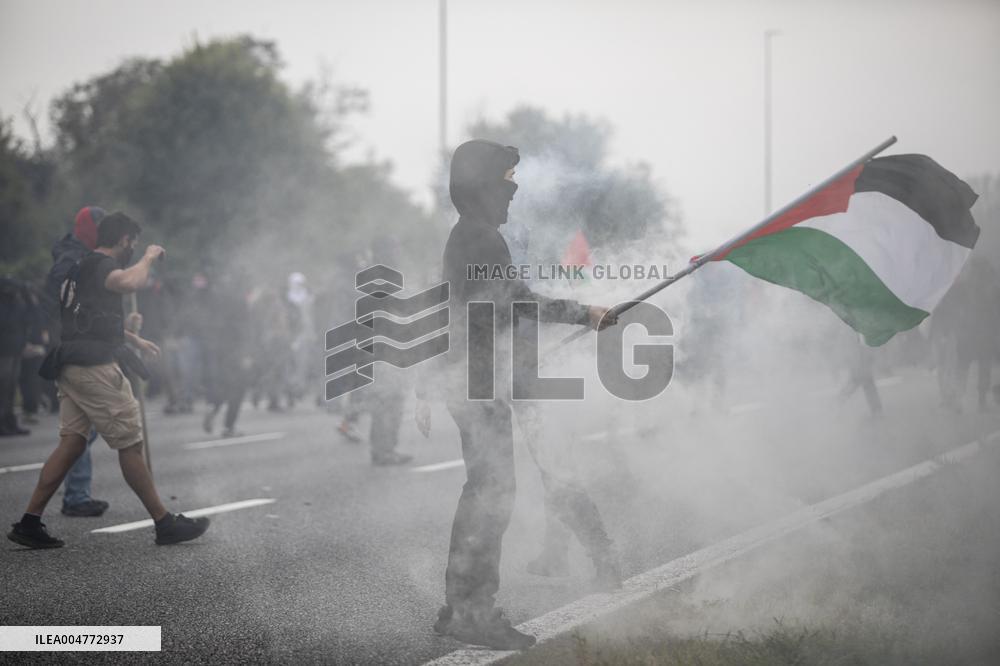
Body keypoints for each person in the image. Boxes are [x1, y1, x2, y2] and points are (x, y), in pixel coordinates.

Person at [415, 139, 616, 650]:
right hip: (476, 382)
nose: (514, 189)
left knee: (486, 488)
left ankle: (460, 606)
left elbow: (457, 309)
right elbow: (514, 301)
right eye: (507, 179)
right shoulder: (480, 239)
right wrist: (585, 313)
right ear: (483, 185)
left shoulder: (471, 235)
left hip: (476, 378)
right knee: (492, 491)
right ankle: (473, 612)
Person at [7, 212, 210, 549]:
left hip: (71, 365)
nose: (133, 249)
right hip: (94, 368)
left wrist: (131, 336)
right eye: (133, 243)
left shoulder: (79, 267)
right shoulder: (102, 265)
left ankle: (29, 522)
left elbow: (86, 320)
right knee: (130, 444)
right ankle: (164, 523)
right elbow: (128, 282)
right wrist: (148, 257)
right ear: (123, 240)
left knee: (72, 443)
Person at [43, 206, 111, 516]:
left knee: (81, 428)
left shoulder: (85, 257)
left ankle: (76, 495)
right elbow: (61, 303)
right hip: (73, 350)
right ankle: (75, 496)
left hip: (80, 348)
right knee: (83, 429)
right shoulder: (70, 261)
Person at [0, 276, 32, 436]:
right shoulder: (7, 304)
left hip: (15, 349)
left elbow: (26, 319)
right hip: (4, 350)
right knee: (3, 387)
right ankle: (3, 423)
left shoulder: (18, 302)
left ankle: (10, 421)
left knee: (11, 388)